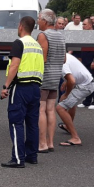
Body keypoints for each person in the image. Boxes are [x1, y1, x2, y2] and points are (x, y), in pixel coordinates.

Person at [0, 16, 44, 168]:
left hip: (20, 88)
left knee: (16, 123)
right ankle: (32, 155)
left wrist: (6, 86)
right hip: (35, 89)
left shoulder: (19, 43)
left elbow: (14, 66)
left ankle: (18, 159)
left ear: (20, 26)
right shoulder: (37, 45)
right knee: (32, 124)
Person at [37, 9, 66, 152]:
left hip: (44, 76)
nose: (37, 21)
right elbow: (64, 58)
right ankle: (50, 142)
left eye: (39, 19)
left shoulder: (43, 35)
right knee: (50, 110)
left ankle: (41, 143)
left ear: (44, 20)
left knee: (41, 110)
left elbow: (43, 58)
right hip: (56, 77)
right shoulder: (60, 36)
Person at [56, 52, 94, 146]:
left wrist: (66, 94)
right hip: (86, 82)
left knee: (60, 108)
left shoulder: (62, 63)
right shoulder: (65, 55)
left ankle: (75, 138)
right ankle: (68, 127)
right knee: (71, 104)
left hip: (84, 86)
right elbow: (74, 72)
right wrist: (66, 81)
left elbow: (72, 80)